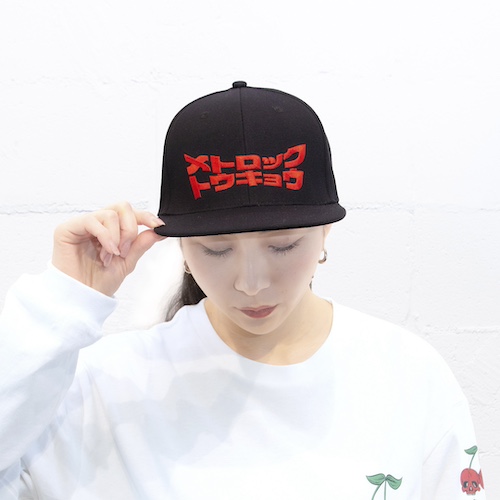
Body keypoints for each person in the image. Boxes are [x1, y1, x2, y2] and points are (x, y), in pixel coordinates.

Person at [0, 82, 485, 499]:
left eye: (282, 246)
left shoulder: (406, 375)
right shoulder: (107, 387)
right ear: (181, 246)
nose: (250, 283)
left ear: (325, 232)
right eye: (216, 250)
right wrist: (60, 303)